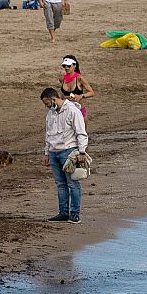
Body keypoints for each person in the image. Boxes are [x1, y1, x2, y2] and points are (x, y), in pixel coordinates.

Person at [41, 87, 88, 223]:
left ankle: (74, 214)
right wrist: (46, 153)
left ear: (53, 99)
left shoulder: (73, 111)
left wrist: (82, 151)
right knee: (61, 184)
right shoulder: (50, 114)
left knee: (72, 183)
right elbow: (48, 134)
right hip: (54, 152)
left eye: (47, 103)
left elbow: (81, 132)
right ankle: (63, 212)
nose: (46, 106)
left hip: (69, 151)